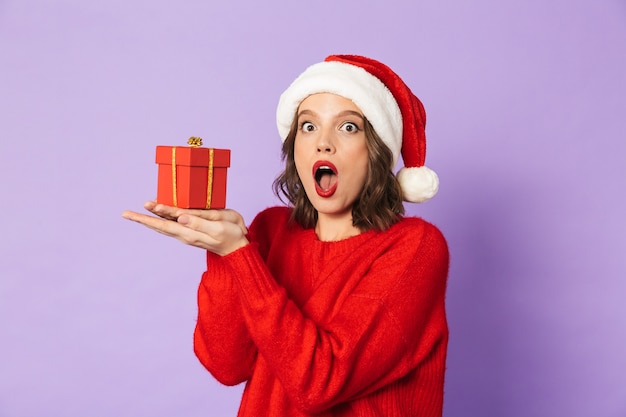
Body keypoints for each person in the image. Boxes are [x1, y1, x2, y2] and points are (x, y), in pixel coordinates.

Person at [122, 54, 449, 417]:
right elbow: (227, 366)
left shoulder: (415, 248)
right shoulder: (270, 231)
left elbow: (320, 383)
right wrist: (222, 251)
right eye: (308, 127)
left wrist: (239, 255)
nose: (323, 143)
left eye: (348, 127)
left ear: (377, 152)